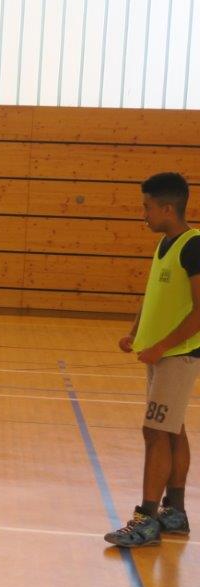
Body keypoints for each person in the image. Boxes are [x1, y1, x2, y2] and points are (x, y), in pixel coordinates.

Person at [107, 172, 198, 547]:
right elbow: (153, 297)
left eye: (147, 207)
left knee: (155, 431)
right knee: (171, 428)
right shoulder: (165, 244)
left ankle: (146, 519)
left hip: (179, 354)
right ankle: (174, 512)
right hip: (163, 354)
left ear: (168, 208)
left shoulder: (193, 246)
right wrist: (135, 332)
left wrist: (162, 346)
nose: (143, 214)